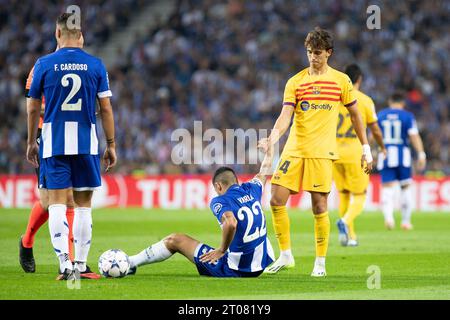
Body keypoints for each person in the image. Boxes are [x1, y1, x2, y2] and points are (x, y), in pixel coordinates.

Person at [258, 27, 373, 276]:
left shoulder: (341, 81)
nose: (313, 57)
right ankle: (286, 255)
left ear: (329, 53)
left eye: (318, 52)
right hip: (294, 149)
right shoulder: (295, 82)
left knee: (319, 206)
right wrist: (272, 138)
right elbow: (285, 115)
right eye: (310, 52)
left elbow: (355, 116)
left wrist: (366, 148)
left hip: (322, 152)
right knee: (276, 199)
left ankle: (320, 263)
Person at [26, 12, 116, 280]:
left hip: (53, 142)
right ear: (81, 36)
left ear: (57, 34)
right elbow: (107, 109)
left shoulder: (43, 64)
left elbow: (32, 109)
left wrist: (32, 141)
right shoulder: (96, 65)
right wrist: (111, 144)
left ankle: (64, 265)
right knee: (83, 205)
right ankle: (80, 264)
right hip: (86, 142)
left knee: (55, 203)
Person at [127, 150, 275, 278]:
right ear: (236, 181)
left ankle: (131, 262)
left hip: (235, 268)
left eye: (216, 188)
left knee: (175, 240)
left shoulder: (220, 201)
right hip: (260, 265)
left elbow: (231, 223)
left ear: (218, 186)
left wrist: (221, 250)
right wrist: (269, 151)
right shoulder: (252, 189)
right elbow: (264, 171)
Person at [333, 64, 386, 247]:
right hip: (357, 153)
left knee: (344, 195)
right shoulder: (364, 100)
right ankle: (346, 222)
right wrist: (381, 147)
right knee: (360, 195)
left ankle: (350, 237)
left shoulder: (335, 98)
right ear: (359, 80)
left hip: (334, 153)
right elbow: (376, 130)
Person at [377, 92, 426, 230]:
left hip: (385, 154)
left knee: (387, 188)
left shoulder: (381, 115)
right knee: (405, 187)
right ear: (403, 103)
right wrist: (421, 154)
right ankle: (405, 221)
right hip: (402, 156)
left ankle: (389, 219)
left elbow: (374, 135)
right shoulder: (407, 116)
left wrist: (372, 152)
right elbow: (414, 136)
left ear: (390, 101)